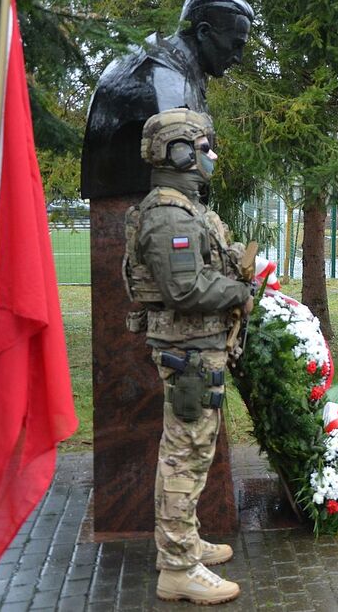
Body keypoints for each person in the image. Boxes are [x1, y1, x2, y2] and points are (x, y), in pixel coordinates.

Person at [124, 109, 253, 604]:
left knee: (192, 451)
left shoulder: (185, 209)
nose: (211, 156)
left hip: (196, 351)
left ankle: (184, 542)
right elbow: (185, 288)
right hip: (188, 352)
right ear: (178, 153)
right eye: (202, 148)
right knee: (184, 454)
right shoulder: (169, 216)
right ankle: (178, 568)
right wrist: (239, 293)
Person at [82, 0, 254, 199]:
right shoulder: (161, 80)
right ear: (203, 32)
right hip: (158, 211)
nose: (238, 58)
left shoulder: (178, 67)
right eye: (236, 45)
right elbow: (180, 168)